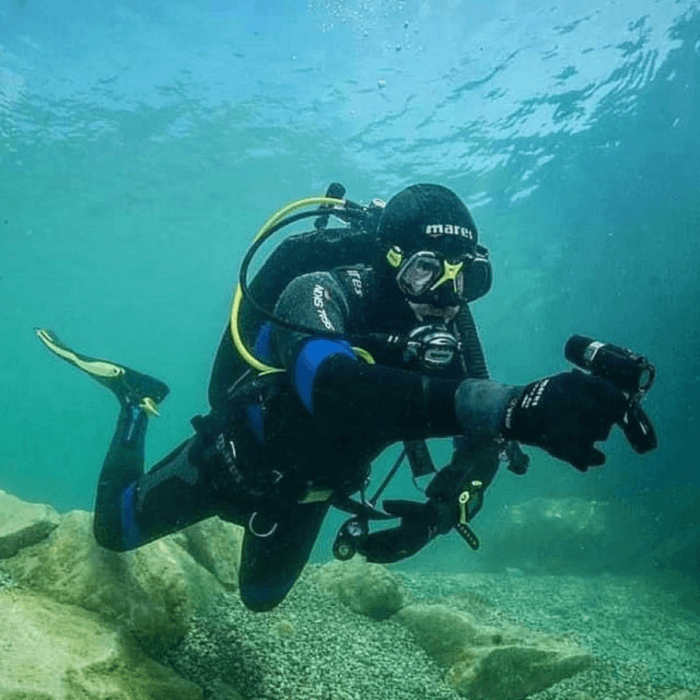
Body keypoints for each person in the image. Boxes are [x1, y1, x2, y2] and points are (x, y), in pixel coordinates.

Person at [36, 184, 628, 612]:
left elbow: (483, 442)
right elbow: (338, 389)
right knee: (112, 533)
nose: (448, 295)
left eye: (466, 276)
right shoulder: (316, 291)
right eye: (428, 270)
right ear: (388, 256)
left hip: (312, 491)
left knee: (260, 601)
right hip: (232, 462)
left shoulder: (451, 329)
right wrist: (507, 404)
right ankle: (135, 403)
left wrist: (440, 511)